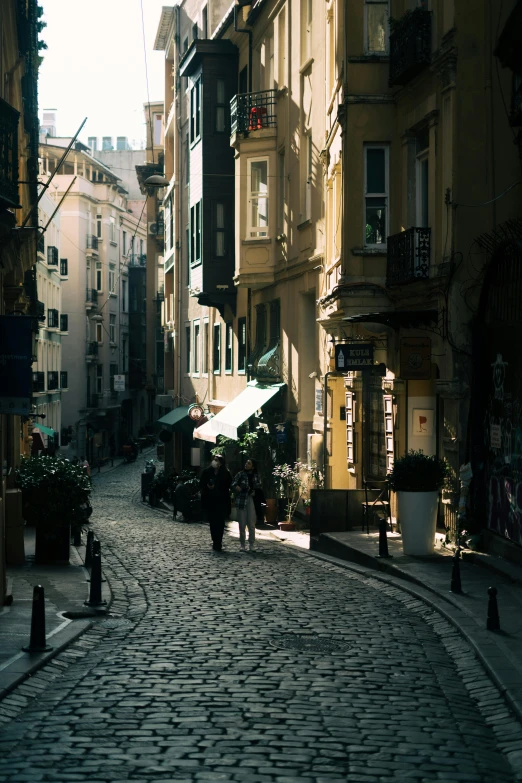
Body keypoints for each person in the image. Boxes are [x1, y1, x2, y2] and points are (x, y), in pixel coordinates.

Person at [202, 455, 232, 551]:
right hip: (211, 501)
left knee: (220, 523)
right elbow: (201, 484)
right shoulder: (207, 472)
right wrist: (207, 486)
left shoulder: (226, 473)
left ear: (221, 463)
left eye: (217, 460)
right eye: (214, 460)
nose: (215, 462)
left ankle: (219, 542)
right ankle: (215, 541)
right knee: (213, 523)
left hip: (221, 501)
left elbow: (229, 485)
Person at [233, 458, 262, 552]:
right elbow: (233, 483)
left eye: (249, 463)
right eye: (246, 462)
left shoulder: (256, 476)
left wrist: (254, 491)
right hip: (241, 500)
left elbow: (259, 487)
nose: (246, 464)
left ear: (253, 466)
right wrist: (236, 487)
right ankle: (242, 544)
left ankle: (251, 544)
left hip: (251, 500)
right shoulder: (240, 474)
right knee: (242, 523)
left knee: (251, 523)